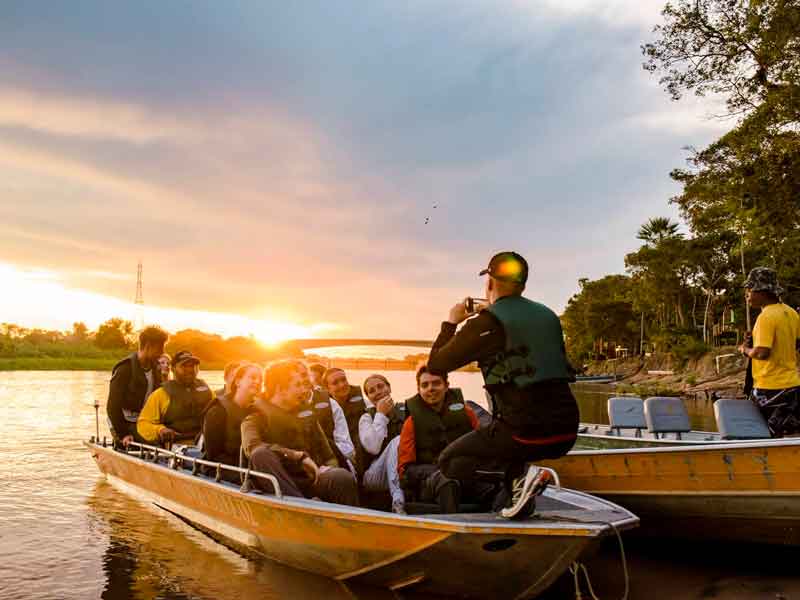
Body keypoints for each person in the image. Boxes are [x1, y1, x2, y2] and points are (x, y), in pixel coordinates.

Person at [428, 251, 579, 519]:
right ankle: (519, 492)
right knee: (503, 443)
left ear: (489, 283)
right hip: (567, 430)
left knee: (450, 462)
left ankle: (518, 478)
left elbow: (437, 365)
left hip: (525, 431)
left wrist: (451, 323)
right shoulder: (548, 316)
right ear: (523, 284)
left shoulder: (487, 323)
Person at [240, 360, 359, 505]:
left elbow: (329, 456)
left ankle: (351, 522)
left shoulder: (307, 414)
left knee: (341, 477)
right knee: (260, 454)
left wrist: (327, 469)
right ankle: (301, 507)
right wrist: (297, 456)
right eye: (297, 385)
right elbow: (252, 448)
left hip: (311, 480)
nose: (304, 390)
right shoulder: (253, 418)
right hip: (280, 485)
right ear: (280, 389)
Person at [398, 366, 487, 514]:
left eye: (436, 383)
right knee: (446, 481)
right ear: (419, 390)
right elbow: (405, 471)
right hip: (430, 482)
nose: (430, 388)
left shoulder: (467, 413)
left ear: (447, 386)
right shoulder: (411, 423)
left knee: (500, 482)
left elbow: (484, 449)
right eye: (425, 385)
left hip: (466, 476)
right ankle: (454, 530)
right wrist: (443, 470)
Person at [739, 267, 800, 437]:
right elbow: (795, 343)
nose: (747, 295)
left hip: (770, 388)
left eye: (749, 290)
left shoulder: (766, 317)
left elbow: (761, 353)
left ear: (762, 291)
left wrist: (745, 349)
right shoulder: (791, 312)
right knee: (788, 435)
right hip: (792, 386)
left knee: (763, 436)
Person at [107, 326, 169, 447]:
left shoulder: (156, 367)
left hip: (147, 421)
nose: (162, 352)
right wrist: (123, 433)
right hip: (127, 422)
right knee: (156, 445)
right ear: (148, 346)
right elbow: (112, 406)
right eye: (160, 348)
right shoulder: (124, 369)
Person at [137, 351, 215, 446]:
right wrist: (160, 430)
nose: (190, 369)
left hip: (205, 442)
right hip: (176, 446)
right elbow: (143, 424)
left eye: (193, 366)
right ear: (173, 369)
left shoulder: (207, 391)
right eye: (184, 366)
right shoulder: (160, 394)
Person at [359, 374, 407, 514]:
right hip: (375, 475)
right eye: (372, 391)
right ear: (368, 397)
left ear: (389, 387)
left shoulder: (406, 409)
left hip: (403, 468)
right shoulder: (366, 417)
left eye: (381, 386)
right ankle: (398, 501)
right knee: (397, 440)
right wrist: (380, 415)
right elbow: (373, 448)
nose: (378, 392)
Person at [203, 362, 262, 466]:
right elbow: (213, 456)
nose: (257, 382)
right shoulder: (217, 411)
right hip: (219, 470)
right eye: (252, 378)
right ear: (238, 382)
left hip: (249, 467)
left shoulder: (258, 412)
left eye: (260, 380)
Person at [321, 368, 364, 466]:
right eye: (335, 383)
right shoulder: (325, 408)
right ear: (327, 389)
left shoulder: (364, 403)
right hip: (339, 453)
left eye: (344, 380)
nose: (342, 384)